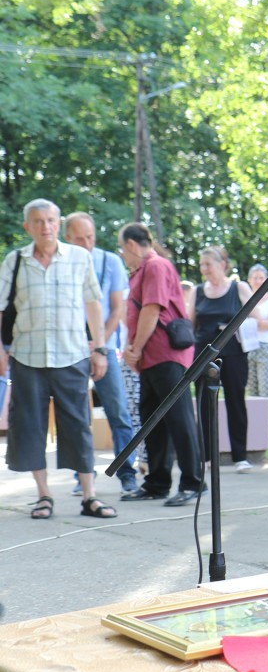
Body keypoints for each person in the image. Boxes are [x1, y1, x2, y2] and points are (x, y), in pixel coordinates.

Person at [0, 199, 113, 519]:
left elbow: (93, 304)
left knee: (78, 426)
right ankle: (43, 495)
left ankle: (89, 496)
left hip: (72, 354)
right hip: (26, 356)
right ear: (27, 226)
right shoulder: (15, 260)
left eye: (50, 220)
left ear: (59, 224)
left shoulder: (79, 257)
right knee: (29, 426)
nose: (45, 227)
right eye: (38, 221)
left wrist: (100, 349)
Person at [118, 223, 205, 506]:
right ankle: (157, 483)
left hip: (165, 353)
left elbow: (152, 309)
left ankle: (193, 482)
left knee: (179, 418)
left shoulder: (156, 266)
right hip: (150, 358)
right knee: (153, 420)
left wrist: (136, 348)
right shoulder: (142, 270)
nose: (123, 255)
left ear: (132, 245)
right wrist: (134, 350)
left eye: (122, 249)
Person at [63, 211, 140, 494]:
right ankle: (82, 474)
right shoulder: (60, 263)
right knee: (76, 416)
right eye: (79, 239)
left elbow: (117, 308)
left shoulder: (110, 261)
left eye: (90, 237)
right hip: (70, 349)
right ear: (67, 238)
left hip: (105, 347)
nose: (86, 244)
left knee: (118, 411)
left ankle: (127, 472)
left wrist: (98, 344)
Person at [186, 246, 255, 474]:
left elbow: (257, 317)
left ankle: (240, 456)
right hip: (203, 355)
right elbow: (190, 324)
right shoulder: (197, 291)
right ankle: (205, 456)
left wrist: (235, 326)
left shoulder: (238, 288)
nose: (204, 269)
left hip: (234, 354)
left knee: (236, 401)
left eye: (208, 264)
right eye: (201, 264)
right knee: (205, 405)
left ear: (222, 265)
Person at [245, 263, 268, 432]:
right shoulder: (245, 298)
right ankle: (254, 424)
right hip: (248, 345)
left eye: (262, 278)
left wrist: (254, 322)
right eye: (255, 278)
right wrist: (264, 323)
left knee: (266, 387)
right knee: (251, 388)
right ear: (249, 280)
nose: (259, 281)